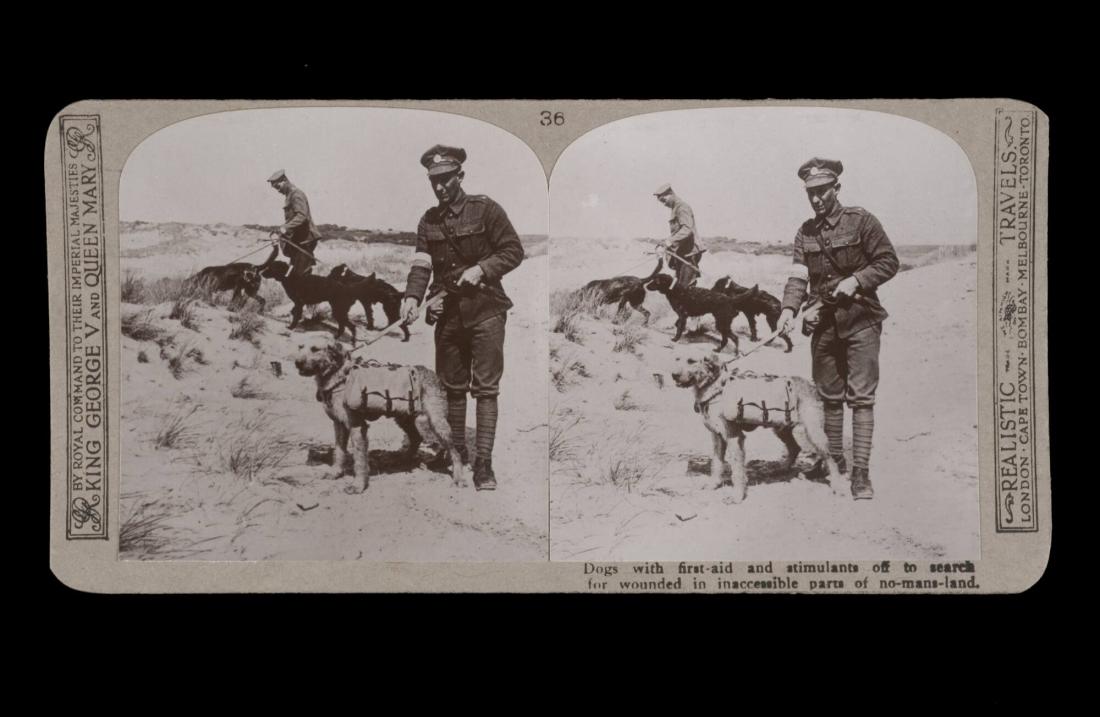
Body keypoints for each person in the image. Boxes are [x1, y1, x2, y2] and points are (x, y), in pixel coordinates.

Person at [400, 145, 525, 491]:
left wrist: (482, 269)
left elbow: (514, 251)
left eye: (445, 179)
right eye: (433, 181)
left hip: (487, 312)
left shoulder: (485, 209)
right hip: (448, 315)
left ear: (460, 176)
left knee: (485, 390)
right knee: (451, 389)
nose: (439, 187)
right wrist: (412, 297)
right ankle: (455, 452)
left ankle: (483, 464)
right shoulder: (428, 220)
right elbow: (422, 263)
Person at [777, 158, 899, 500]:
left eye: (822, 191)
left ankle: (860, 474)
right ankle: (834, 462)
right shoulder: (805, 232)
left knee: (860, 399)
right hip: (823, 324)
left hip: (861, 320)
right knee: (829, 398)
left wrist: (857, 280)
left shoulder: (861, 221)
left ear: (836, 188)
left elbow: (889, 261)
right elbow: (798, 275)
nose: (816, 199)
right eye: (810, 193)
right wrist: (788, 309)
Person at [268, 169, 321, 276]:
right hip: (299, 241)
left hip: (305, 241)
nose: (278, 190)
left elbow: (302, 216)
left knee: (300, 277)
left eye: (278, 187)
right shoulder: (289, 196)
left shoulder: (296, 194)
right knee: (295, 274)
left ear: (284, 180)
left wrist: (285, 228)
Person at [654, 184, 703, 287]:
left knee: (685, 288)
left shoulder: (682, 207)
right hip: (683, 253)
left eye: (664, 200)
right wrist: (664, 243)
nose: (663, 204)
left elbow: (687, 229)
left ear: (670, 194)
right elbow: (677, 233)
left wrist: (670, 241)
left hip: (689, 253)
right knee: (681, 286)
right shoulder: (675, 209)